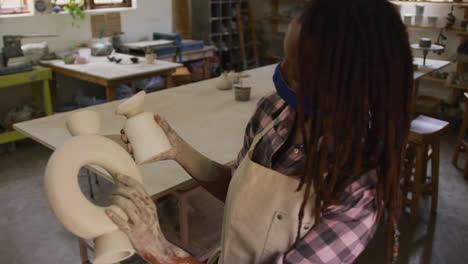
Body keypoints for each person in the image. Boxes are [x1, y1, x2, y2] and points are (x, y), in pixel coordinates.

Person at [105, 0, 414, 263]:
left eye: (296, 70)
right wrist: (178, 150)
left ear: (343, 87)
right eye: (285, 60)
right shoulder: (273, 111)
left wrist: (161, 250)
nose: (281, 72)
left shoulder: (357, 186)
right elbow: (239, 191)